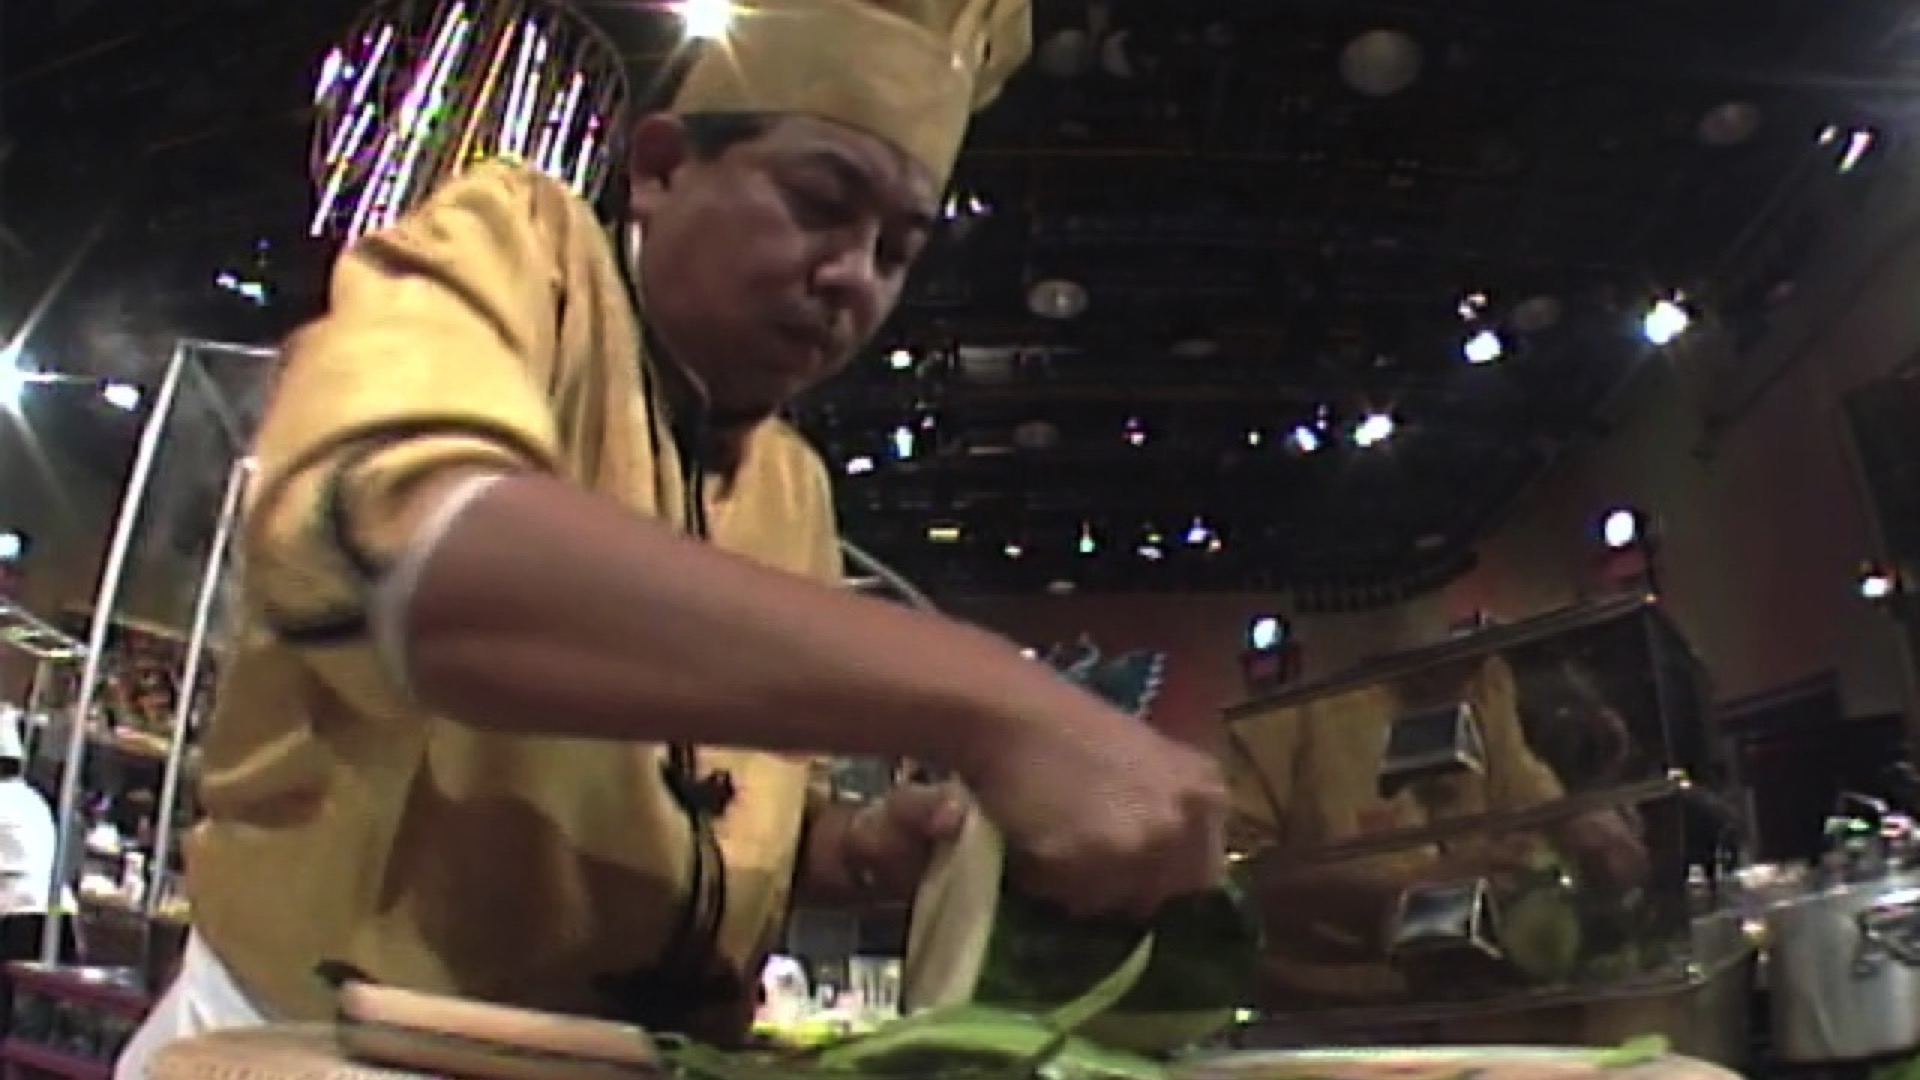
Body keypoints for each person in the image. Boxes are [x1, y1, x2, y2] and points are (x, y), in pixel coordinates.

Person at [113, 0, 1228, 1074]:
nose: (852, 276)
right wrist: (990, 699)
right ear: (658, 168)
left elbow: (693, 813)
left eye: (896, 250)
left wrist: (847, 849)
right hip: (320, 1046)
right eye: (819, 202)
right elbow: (404, 552)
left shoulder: (793, 485)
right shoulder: (517, 248)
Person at [1225, 654, 1646, 1007]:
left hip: (1468, 1005)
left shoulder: (1484, 678)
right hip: (1319, 1018)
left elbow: (1532, 796)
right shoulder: (1296, 698)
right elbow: (1234, 883)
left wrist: (1588, 829)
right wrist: (1405, 893)